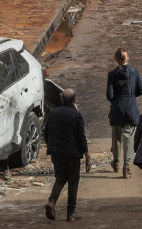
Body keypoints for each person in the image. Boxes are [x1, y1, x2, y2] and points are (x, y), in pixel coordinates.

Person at [44, 88, 90, 222]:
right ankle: (71, 213)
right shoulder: (77, 115)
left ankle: (51, 202)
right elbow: (81, 137)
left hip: (57, 153)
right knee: (73, 182)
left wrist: (51, 148)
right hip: (72, 154)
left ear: (62, 99)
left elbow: (46, 133)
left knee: (60, 178)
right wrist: (87, 155)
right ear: (74, 100)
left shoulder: (53, 113)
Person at [106, 49, 142, 178]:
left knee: (116, 137)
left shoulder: (112, 75)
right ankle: (126, 165)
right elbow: (141, 90)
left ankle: (116, 162)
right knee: (128, 136)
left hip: (117, 108)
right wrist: (131, 96)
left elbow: (109, 95)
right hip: (131, 108)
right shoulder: (134, 72)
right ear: (127, 59)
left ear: (115, 60)